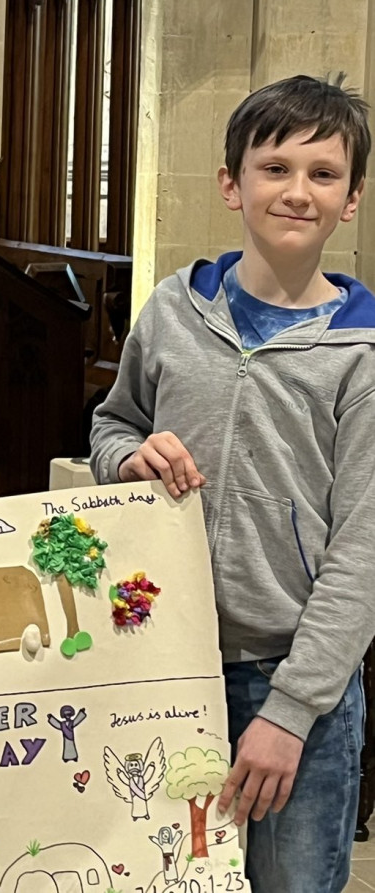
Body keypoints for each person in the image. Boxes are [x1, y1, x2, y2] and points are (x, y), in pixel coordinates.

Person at [89, 75, 375, 893]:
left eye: (324, 174)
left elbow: (362, 554)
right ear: (231, 184)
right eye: (275, 167)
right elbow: (113, 424)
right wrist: (127, 458)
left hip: (292, 686)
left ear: (351, 198)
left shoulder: (361, 353)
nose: (297, 190)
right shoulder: (176, 309)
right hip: (157, 661)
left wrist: (288, 715)